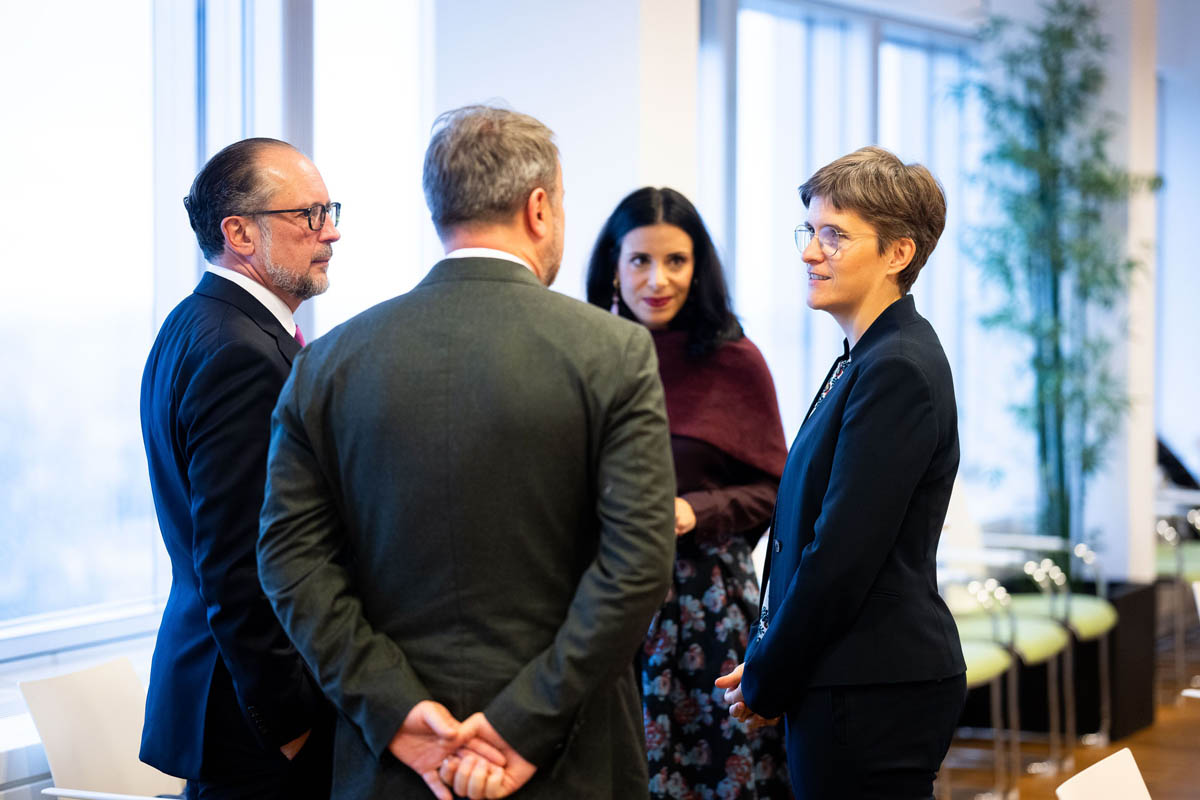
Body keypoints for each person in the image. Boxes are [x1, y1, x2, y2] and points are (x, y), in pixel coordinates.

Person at [256, 105, 677, 800]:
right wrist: (519, 725)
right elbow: (637, 565)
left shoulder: (330, 364)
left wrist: (394, 712)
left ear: (439, 209)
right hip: (569, 763)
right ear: (540, 208)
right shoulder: (613, 351)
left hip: (392, 769)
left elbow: (289, 561)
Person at [717, 146, 967, 798]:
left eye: (834, 236)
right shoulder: (866, 358)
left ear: (897, 253)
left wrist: (770, 671)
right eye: (811, 232)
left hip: (872, 685)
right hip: (852, 676)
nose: (809, 252)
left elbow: (840, 556)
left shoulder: (897, 367)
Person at [139, 137, 340, 799]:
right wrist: (289, 726)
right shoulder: (241, 353)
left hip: (229, 703)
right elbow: (238, 564)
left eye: (329, 210)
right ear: (239, 233)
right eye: (308, 215)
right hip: (253, 720)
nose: (331, 231)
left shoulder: (195, 323)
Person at [585, 187, 793, 799]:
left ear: (698, 267)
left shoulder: (735, 359)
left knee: (714, 777)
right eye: (640, 260)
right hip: (604, 599)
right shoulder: (588, 354)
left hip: (706, 605)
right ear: (614, 270)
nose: (658, 279)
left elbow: (778, 490)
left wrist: (693, 511)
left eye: (675, 260)